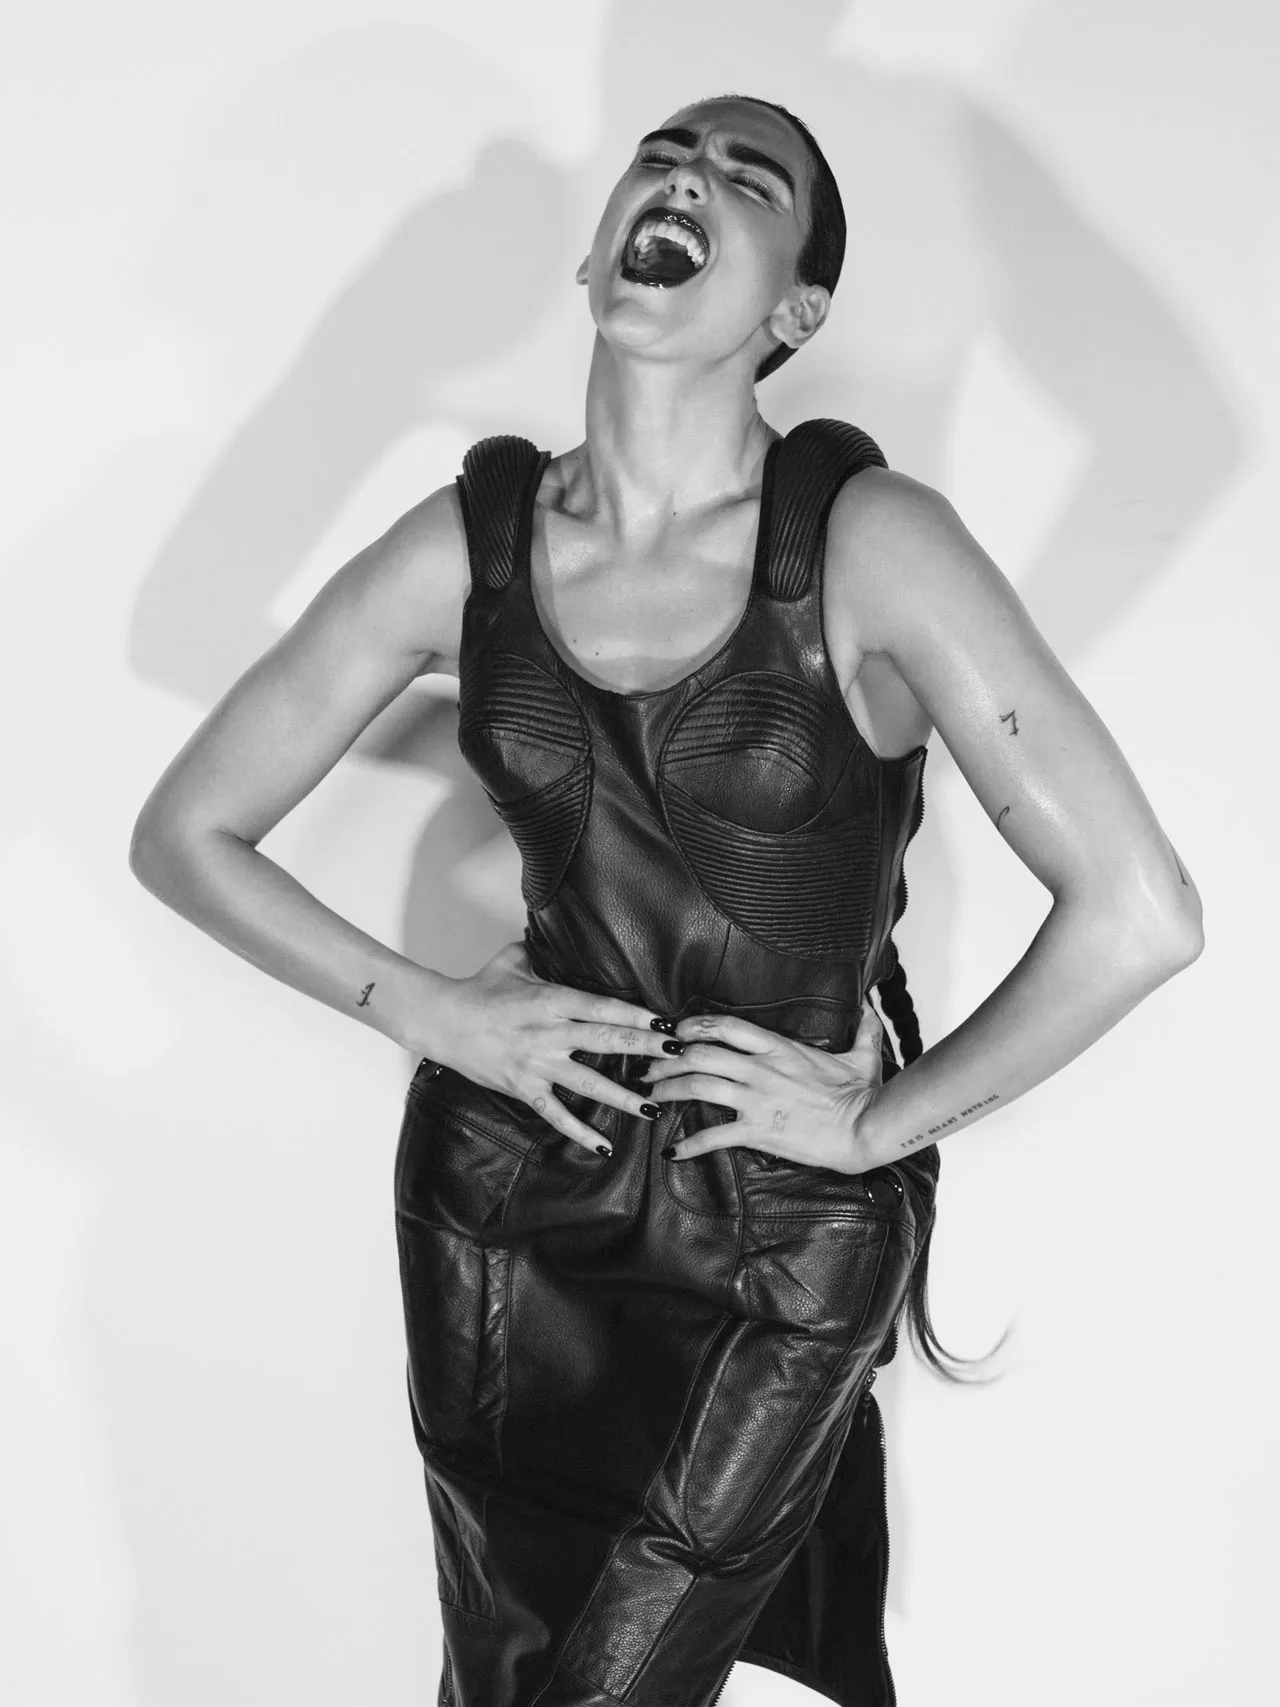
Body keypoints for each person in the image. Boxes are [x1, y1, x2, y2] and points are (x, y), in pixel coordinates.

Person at [130, 92, 1204, 1707]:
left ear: (798, 312)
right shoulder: (475, 545)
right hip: (507, 1202)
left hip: (781, 1225)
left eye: (746, 177)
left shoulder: (873, 542)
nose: (689, 176)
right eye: (664, 155)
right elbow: (187, 829)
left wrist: (879, 1122)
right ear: (594, 257)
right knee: (508, 1679)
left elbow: (1140, 909)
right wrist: (435, 1013)